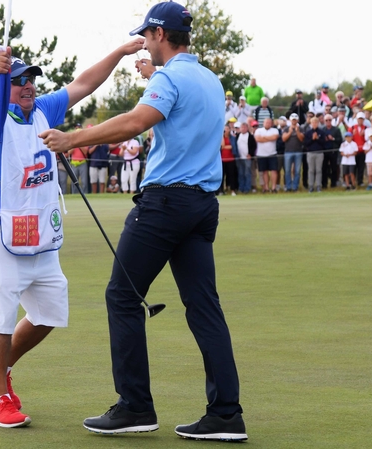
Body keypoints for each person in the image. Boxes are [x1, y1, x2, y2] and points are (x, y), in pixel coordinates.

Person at [40, 3, 246, 440]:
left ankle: (135, 407)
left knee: (121, 296)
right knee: (204, 305)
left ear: (157, 33)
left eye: (148, 35)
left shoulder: (169, 78)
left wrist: (71, 138)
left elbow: (135, 122)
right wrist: (155, 78)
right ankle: (226, 413)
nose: (146, 43)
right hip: (203, 206)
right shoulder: (209, 79)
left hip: (165, 205)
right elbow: (174, 106)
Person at [0, 29, 156, 426]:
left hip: (39, 233)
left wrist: (120, 50)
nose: (28, 87)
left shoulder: (44, 110)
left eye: (30, 80)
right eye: (19, 82)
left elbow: (84, 84)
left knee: (49, 313)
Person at [255, 117, 279, 193]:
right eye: (266, 122)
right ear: (263, 123)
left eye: (269, 122)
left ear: (271, 123)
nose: (268, 124)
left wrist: (264, 138)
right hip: (261, 154)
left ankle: (274, 187)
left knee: (274, 171)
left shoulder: (275, 130)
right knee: (264, 172)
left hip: (272, 154)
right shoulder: (259, 130)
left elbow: (275, 137)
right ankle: (266, 187)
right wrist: (269, 138)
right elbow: (258, 139)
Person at [282, 113, 305, 192]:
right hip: (288, 152)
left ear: (297, 120)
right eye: (292, 120)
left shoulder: (301, 128)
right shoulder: (286, 128)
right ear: (290, 120)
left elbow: (302, 139)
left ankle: (295, 187)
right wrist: (290, 132)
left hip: (298, 152)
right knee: (287, 170)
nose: (294, 121)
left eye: (295, 120)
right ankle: (288, 187)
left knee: (297, 171)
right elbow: (284, 139)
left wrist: (297, 131)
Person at [303, 116, 327, 192]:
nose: (314, 124)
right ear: (310, 123)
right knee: (311, 170)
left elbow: (324, 143)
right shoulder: (308, 133)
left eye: (316, 122)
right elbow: (306, 144)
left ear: (318, 123)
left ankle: (318, 186)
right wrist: (312, 139)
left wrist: (317, 139)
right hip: (310, 153)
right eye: (313, 122)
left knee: (319, 170)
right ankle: (311, 186)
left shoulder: (322, 132)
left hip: (319, 153)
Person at [235, 121, 255, 193]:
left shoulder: (250, 136)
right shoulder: (237, 136)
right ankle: (241, 188)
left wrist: (250, 154)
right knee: (240, 173)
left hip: (247, 158)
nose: (243, 129)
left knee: (247, 173)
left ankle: (247, 188)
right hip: (239, 158)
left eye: (244, 127)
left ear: (247, 128)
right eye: (241, 127)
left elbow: (253, 147)